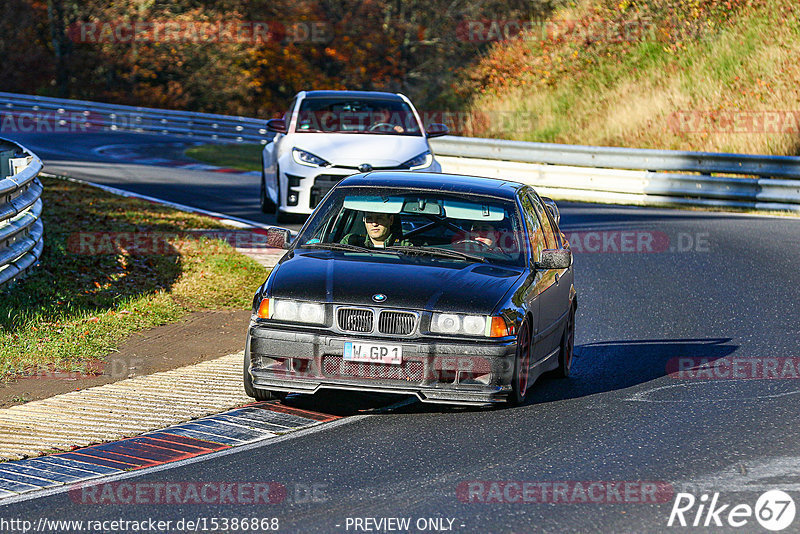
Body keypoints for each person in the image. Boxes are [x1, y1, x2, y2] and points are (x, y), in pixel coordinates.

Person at [341, 212, 411, 248]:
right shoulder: (350, 242)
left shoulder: (405, 247)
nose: (374, 224)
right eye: (369, 218)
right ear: (364, 220)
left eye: (379, 218)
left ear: (391, 220)